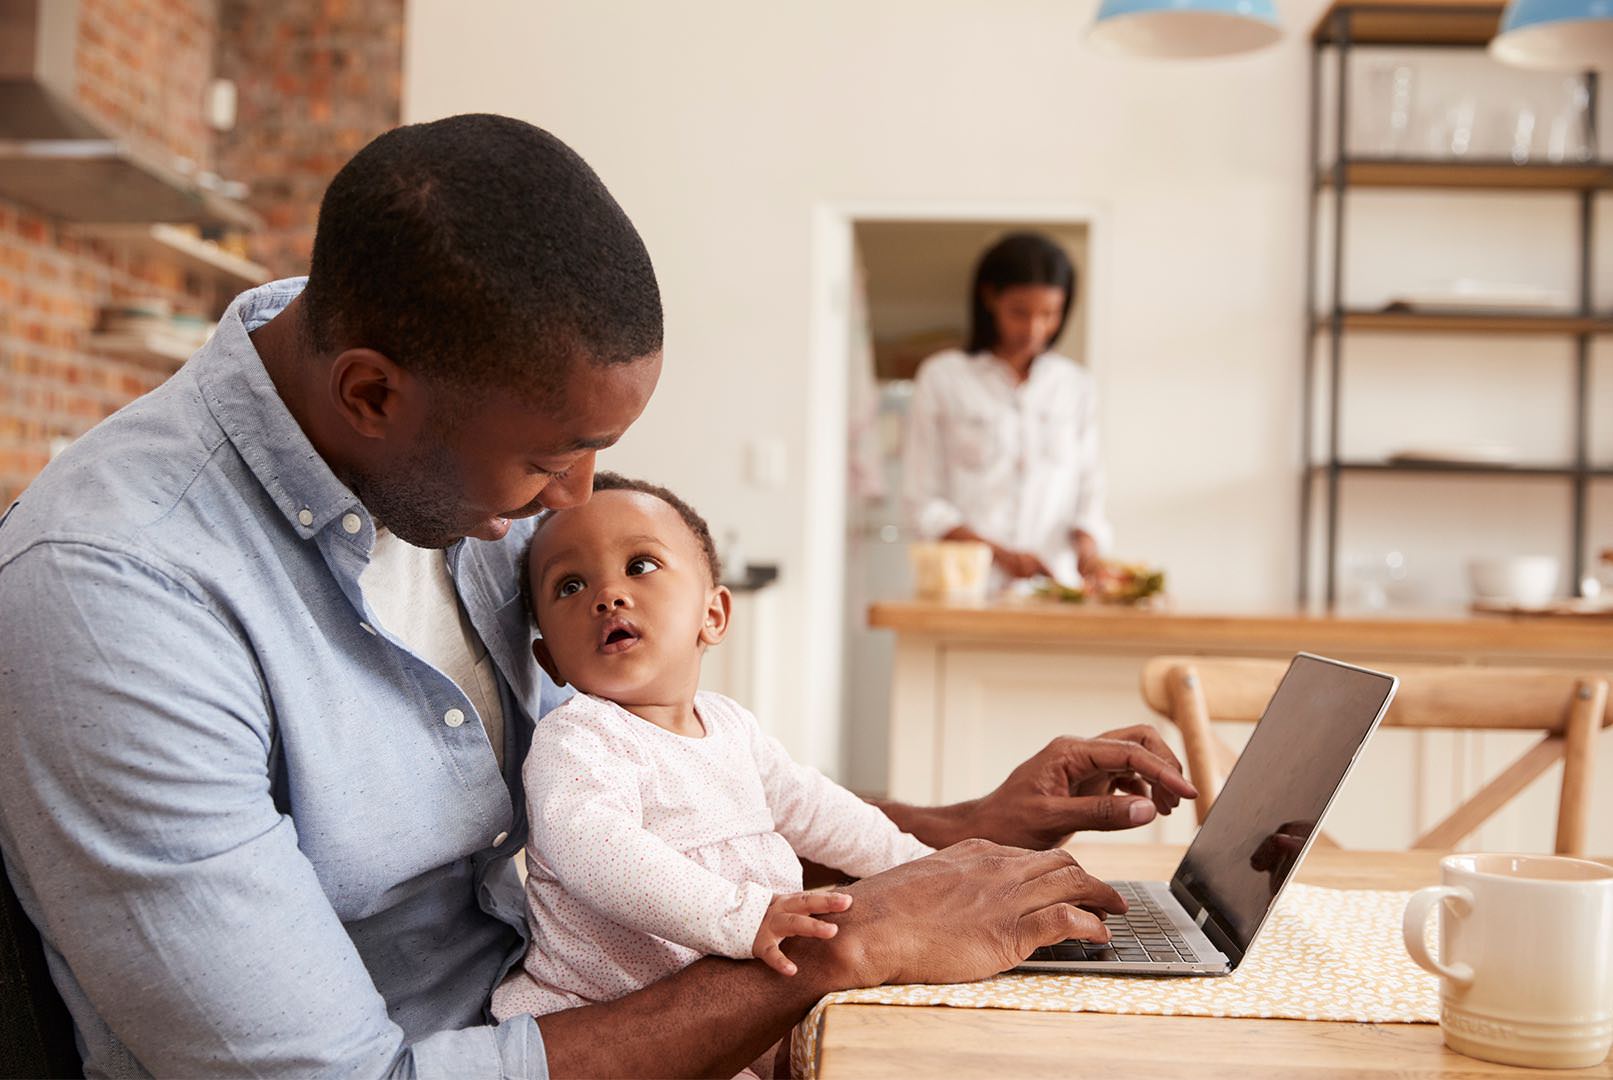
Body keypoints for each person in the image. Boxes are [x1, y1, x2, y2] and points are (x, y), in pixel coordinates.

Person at [0, 115, 1193, 1078]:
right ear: (369, 395)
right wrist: (850, 947)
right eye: (549, 458)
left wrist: (960, 830)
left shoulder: (438, 447)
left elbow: (667, 801)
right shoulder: (116, 596)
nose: (573, 500)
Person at [493, 473, 936, 1039]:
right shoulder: (578, 738)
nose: (608, 595)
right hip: (603, 1022)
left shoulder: (731, 727)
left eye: (640, 566)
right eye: (571, 586)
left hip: (728, 1003)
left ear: (714, 615)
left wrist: (919, 866)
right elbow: (596, 853)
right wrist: (740, 915)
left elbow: (820, 810)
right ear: (550, 660)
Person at [902, 231, 1112, 586]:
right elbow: (921, 502)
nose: (1034, 329)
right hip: (967, 589)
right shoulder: (944, 378)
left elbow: (1089, 491)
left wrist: (1089, 552)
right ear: (989, 298)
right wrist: (999, 556)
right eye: (1019, 312)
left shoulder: (1075, 387)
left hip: (1056, 591)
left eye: (1049, 314)